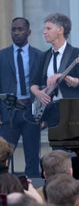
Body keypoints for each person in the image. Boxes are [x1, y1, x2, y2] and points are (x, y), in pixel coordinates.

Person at [0, 17, 43, 177]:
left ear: (28, 32)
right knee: (2, 155)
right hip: (9, 112)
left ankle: (32, 190)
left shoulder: (39, 56)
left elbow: (44, 86)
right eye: (13, 30)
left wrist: (43, 112)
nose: (16, 33)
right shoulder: (2, 56)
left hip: (31, 111)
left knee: (32, 156)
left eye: (20, 29)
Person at [31, 13, 79, 127]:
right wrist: (39, 94)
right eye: (45, 29)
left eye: (48, 28)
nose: (44, 32)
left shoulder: (77, 54)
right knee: (55, 143)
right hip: (50, 111)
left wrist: (66, 77)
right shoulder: (44, 56)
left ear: (60, 30)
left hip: (72, 109)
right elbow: (33, 83)